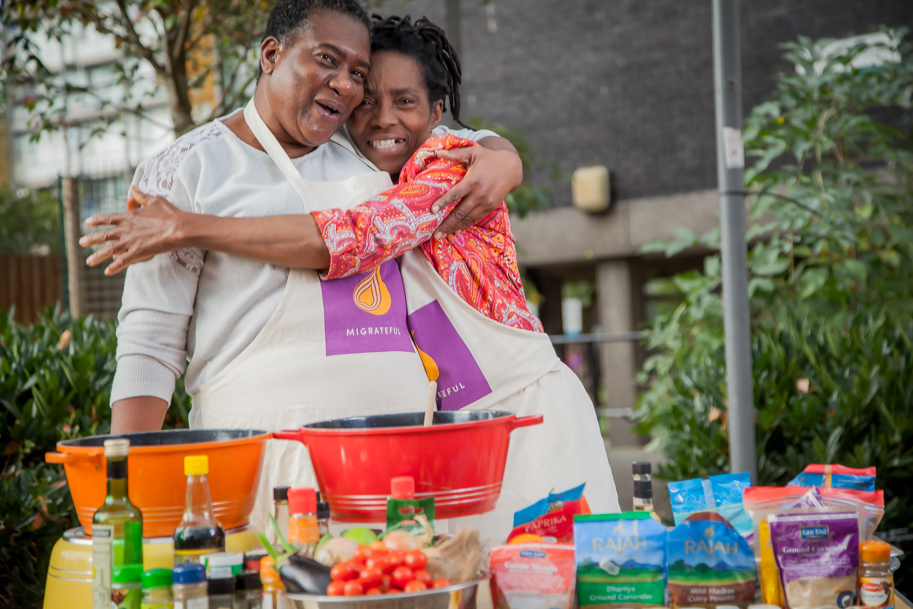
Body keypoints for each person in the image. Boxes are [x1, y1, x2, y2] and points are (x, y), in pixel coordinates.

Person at [85, 14, 620, 540]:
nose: (348, 88)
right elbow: (149, 341)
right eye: (328, 62)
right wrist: (125, 492)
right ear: (271, 55)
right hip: (286, 462)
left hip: (457, 445)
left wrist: (504, 155)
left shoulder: (397, 159)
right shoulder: (192, 167)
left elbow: (363, 225)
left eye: (357, 74)